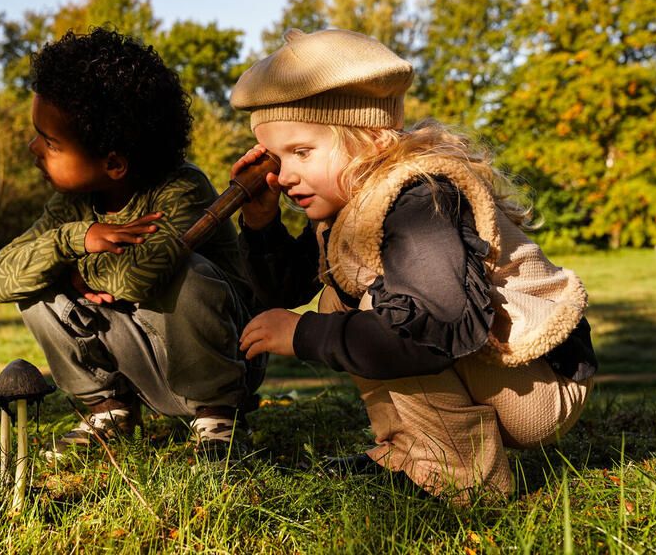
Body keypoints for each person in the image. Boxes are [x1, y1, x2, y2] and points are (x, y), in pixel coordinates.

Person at [229, 28, 597, 501]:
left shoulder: (418, 198)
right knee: (336, 297)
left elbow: (430, 331)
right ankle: (409, 453)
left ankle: (463, 477)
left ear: (374, 139)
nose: (286, 175)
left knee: (375, 310)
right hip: (497, 368)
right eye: (277, 158)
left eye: (302, 152)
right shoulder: (350, 204)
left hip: (538, 380)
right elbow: (285, 290)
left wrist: (301, 335)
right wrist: (261, 224)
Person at [0, 28, 265, 460]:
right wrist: (72, 241)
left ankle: (218, 418)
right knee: (33, 280)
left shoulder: (181, 189)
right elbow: (0, 278)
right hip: (138, 357)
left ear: (113, 162)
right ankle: (108, 408)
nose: (32, 148)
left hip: (216, 359)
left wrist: (77, 271)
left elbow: (139, 276)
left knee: (187, 273)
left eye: (51, 142)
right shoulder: (72, 207)